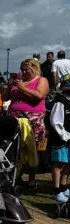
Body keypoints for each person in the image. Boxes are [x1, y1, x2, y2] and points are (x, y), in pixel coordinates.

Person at [2, 58, 50, 188]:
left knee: (32, 149)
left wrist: (22, 88)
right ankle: (15, 176)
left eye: (26, 69)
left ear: (34, 69)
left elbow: (39, 95)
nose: (22, 72)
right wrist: (10, 85)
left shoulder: (41, 80)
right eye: (21, 69)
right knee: (14, 148)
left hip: (32, 119)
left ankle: (32, 179)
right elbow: (4, 98)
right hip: (14, 118)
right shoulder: (19, 81)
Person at [48, 74, 70, 203]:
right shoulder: (60, 100)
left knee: (68, 163)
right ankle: (56, 190)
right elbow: (55, 120)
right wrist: (65, 136)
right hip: (61, 138)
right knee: (58, 163)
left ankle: (63, 185)